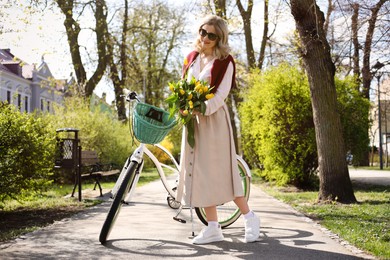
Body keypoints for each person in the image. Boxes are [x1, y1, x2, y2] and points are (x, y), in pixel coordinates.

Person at [175, 15, 260, 244]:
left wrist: (200, 108)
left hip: (214, 122)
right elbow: (183, 87)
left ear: (219, 37)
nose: (205, 38)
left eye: (211, 35)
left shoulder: (226, 61)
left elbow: (221, 96)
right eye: (203, 32)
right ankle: (213, 228)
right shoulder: (191, 58)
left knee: (222, 172)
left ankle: (250, 218)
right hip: (193, 123)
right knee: (200, 174)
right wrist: (183, 108)